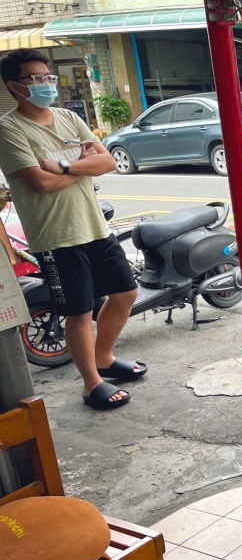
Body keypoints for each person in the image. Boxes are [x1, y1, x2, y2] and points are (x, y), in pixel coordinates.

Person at [0, 49, 145, 410]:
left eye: (48, 77)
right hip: (56, 236)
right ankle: (91, 384)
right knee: (79, 312)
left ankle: (105, 358)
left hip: (94, 226)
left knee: (125, 293)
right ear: (15, 86)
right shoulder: (8, 129)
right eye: (35, 78)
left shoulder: (67, 117)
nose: (45, 84)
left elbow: (108, 161)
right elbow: (39, 183)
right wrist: (82, 162)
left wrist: (64, 166)